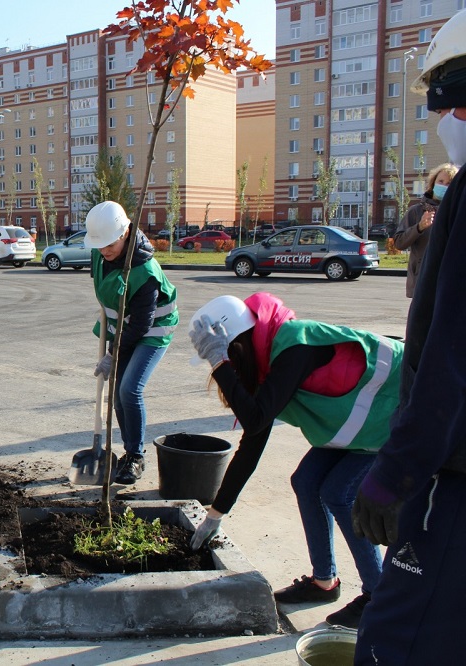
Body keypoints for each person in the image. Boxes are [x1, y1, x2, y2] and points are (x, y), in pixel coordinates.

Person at [352, 12, 466, 663]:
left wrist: (393, 475)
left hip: (453, 473)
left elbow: (452, 357)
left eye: (450, 99)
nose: (442, 120)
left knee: (395, 640)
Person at [188, 293, 402, 629]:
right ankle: (323, 582)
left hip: (395, 411)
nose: (221, 371)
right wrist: (216, 514)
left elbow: (255, 418)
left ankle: (379, 596)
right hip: (361, 423)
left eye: (224, 359)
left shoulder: (293, 346)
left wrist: (219, 364)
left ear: (236, 347)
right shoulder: (268, 363)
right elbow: (252, 442)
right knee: (306, 481)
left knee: (337, 492)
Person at [83, 201, 178, 485]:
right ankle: (128, 452)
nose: (105, 250)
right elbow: (105, 293)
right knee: (117, 397)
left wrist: (113, 353)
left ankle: (136, 456)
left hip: (152, 331)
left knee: (130, 390)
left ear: (126, 233)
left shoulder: (144, 271)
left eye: (110, 243)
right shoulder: (99, 254)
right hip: (123, 329)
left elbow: (140, 326)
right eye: (100, 245)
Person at [391, 162, 458, 298]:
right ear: (433, 184)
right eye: (441, 181)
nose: (444, 186)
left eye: (449, 183)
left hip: (452, 281)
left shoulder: (459, 212)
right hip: (423, 282)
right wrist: (419, 227)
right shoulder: (416, 211)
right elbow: (399, 243)